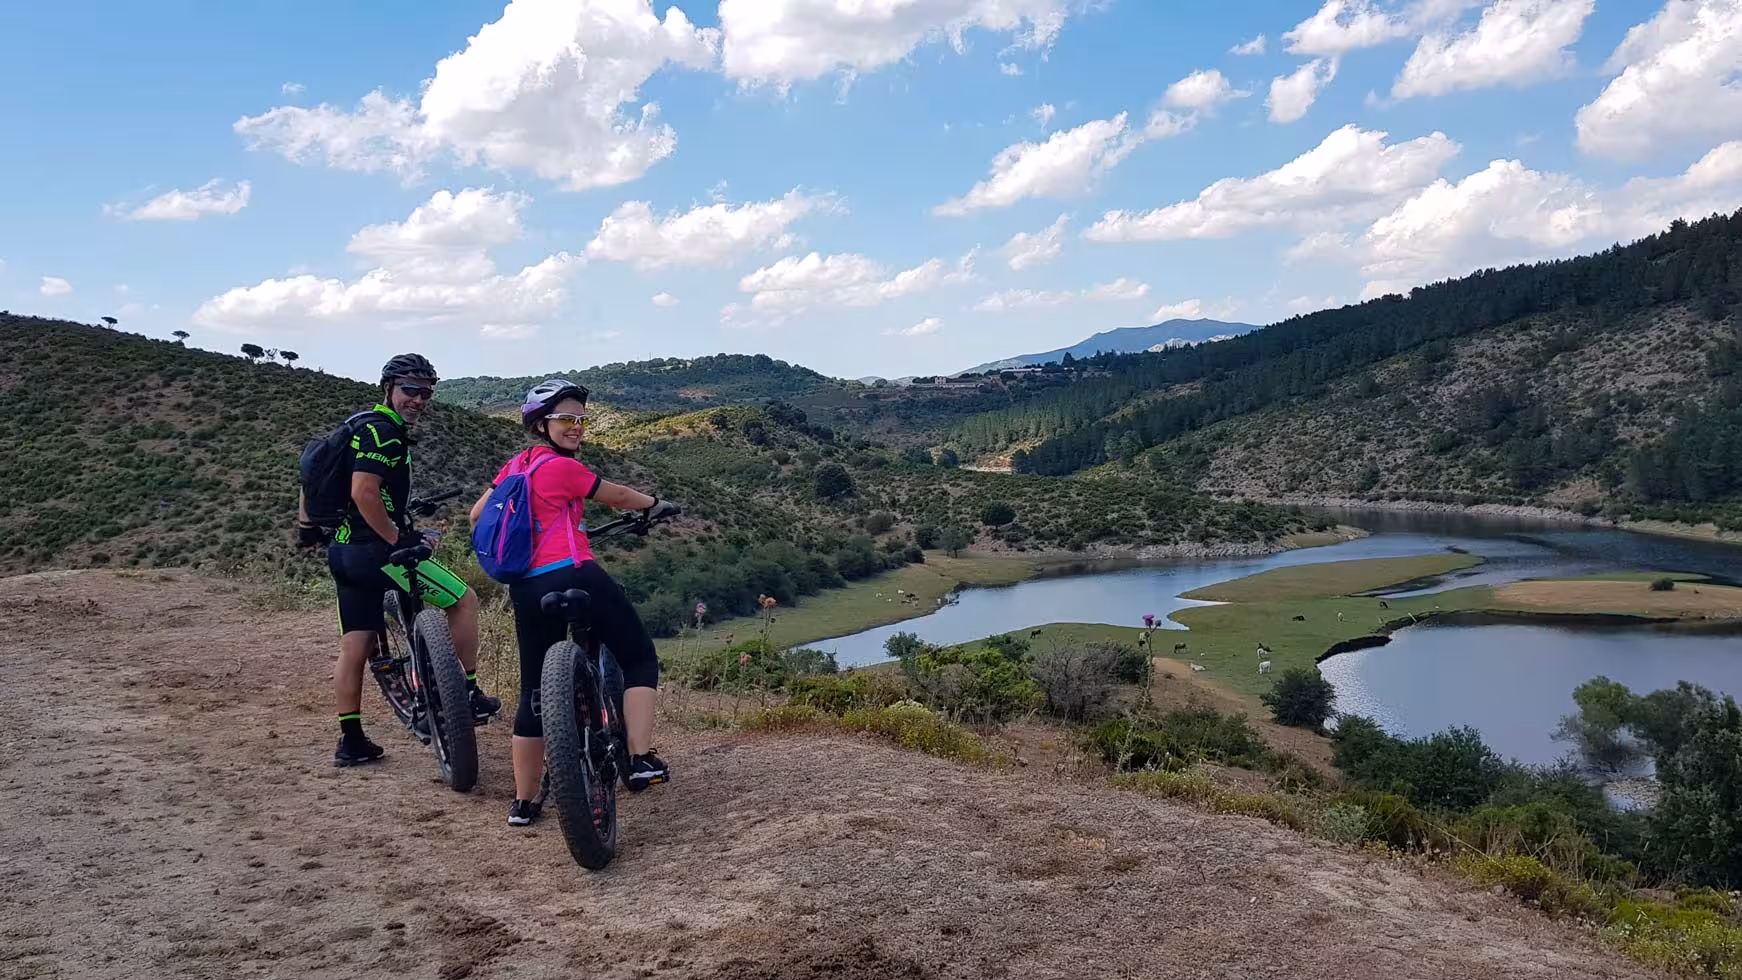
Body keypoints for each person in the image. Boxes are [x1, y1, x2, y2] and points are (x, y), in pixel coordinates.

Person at [469, 378, 678, 827]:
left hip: (527, 587)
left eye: (581, 419)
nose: (576, 427)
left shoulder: (514, 467)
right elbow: (618, 496)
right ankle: (640, 759)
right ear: (542, 424)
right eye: (566, 419)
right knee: (639, 657)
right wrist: (657, 504)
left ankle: (524, 803)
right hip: (575, 572)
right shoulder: (561, 468)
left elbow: (475, 516)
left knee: (534, 692)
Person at [300, 353, 501, 767]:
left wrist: (306, 529)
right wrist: (399, 539)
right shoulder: (385, 433)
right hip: (378, 553)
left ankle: (351, 740)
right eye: (410, 390)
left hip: (344, 552)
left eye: (426, 392)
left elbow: (311, 472)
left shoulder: (355, 426)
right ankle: (466, 692)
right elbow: (364, 493)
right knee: (463, 600)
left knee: (355, 645)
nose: (419, 399)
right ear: (388, 388)